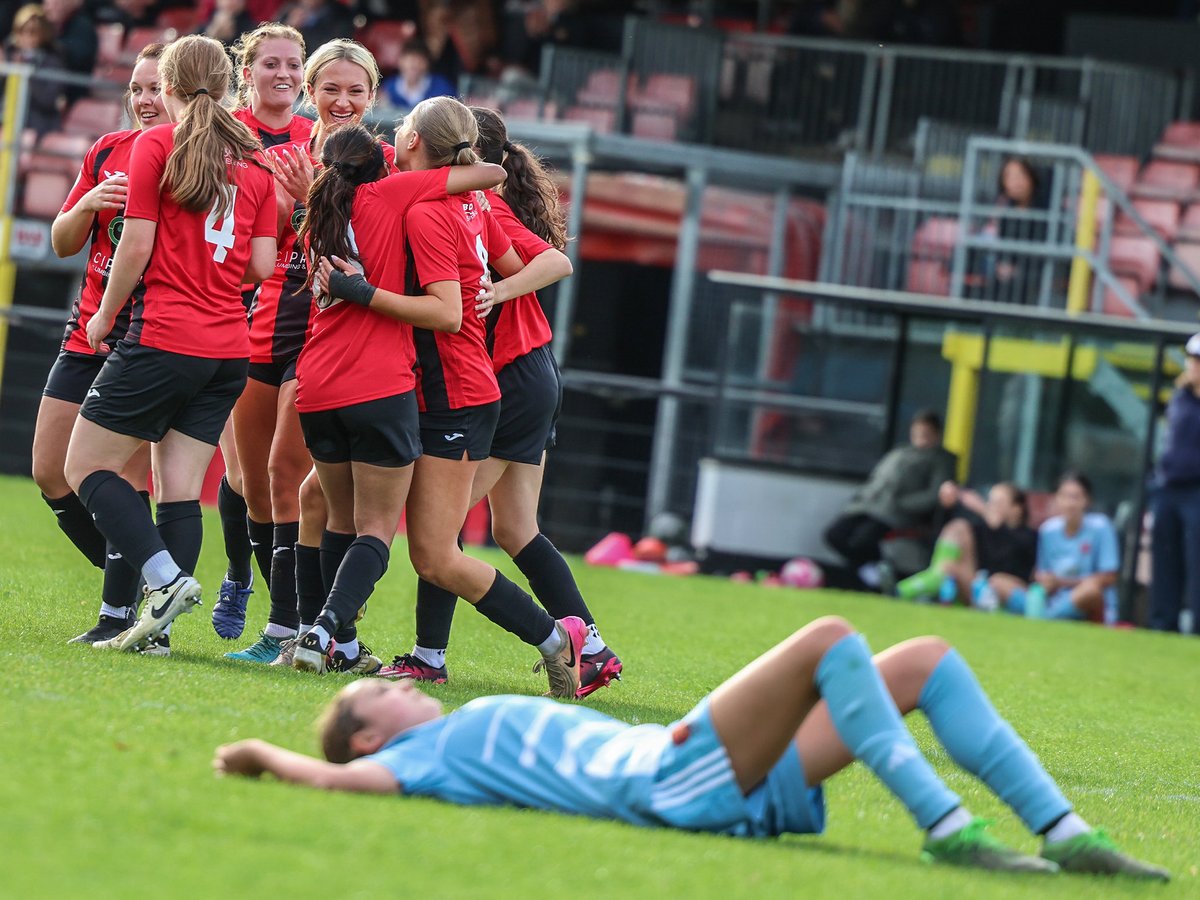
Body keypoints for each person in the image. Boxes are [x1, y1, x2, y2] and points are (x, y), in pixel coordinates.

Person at [214, 613, 1169, 881]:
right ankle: (949, 829)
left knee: (918, 660)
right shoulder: (423, 757)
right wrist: (266, 754)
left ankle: (1066, 833)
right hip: (678, 773)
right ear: (374, 734)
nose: (394, 680)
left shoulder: (456, 736)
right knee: (832, 637)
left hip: (705, 775)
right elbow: (341, 783)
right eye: (378, 689)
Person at [312, 96, 588, 697]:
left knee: (437, 552)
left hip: (458, 391)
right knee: (356, 510)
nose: (395, 132)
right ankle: (333, 635)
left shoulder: (427, 209)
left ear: (414, 143)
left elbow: (446, 312)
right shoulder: (462, 198)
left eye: (404, 127)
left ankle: (556, 638)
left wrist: (356, 291)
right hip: (450, 385)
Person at [62, 34, 277, 656]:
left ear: (172, 88)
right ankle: (157, 635)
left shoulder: (159, 144)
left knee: (85, 467)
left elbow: (133, 246)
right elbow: (262, 264)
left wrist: (103, 317)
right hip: (227, 349)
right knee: (179, 487)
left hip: (163, 336)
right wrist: (212, 278)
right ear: (233, 85)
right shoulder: (257, 161)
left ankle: (164, 582)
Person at [284, 122, 506, 675]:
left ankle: (340, 647)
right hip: (380, 384)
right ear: (377, 168)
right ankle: (324, 632)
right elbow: (491, 172)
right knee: (376, 530)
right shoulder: (389, 194)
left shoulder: (315, 219)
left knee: (338, 517)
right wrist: (428, 160)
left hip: (315, 386)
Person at [34, 42, 165, 646]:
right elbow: (63, 243)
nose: (144, 99)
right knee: (49, 473)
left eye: (157, 88)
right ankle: (140, 575)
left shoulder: (192, 160)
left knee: (122, 477)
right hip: (85, 331)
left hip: (145, 340)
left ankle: (123, 611)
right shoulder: (105, 151)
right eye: (137, 88)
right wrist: (86, 202)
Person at [212, 23, 315, 651]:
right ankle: (238, 574)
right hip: (235, 316)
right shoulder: (226, 136)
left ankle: (292, 623)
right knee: (248, 481)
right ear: (246, 70)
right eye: (271, 63)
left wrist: (295, 207)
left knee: (285, 473)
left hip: (308, 322)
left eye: (293, 64)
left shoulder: (322, 141)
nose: (284, 74)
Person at [823, 410, 957, 588]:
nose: (919, 438)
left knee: (862, 541)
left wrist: (903, 504)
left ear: (936, 434)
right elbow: (877, 479)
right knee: (834, 535)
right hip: (866, 506)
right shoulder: (900, 451)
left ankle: (869, 579)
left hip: (897, 514)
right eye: (916, 433)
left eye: (925, 434)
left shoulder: (940, 459)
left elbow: (935, 495)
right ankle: (872, 573)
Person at [893, 481, 1036, 608]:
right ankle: (934, 579)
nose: (991, 506)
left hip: (1002, 592)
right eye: (990, 501)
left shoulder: (1028, 535)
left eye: (998, 503)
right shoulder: (984, 528)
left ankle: (907, 589)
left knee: (995, 581)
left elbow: (1010, 558)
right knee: (958, 528)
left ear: (1017, 509)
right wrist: (949, 502)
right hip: (974, 586)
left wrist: (983, 510)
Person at [1005, 472, 1119, 624]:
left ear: (1087, 500)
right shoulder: (1048, 530)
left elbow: (1108, 577)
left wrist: (1062, 582)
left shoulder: (1101, 526)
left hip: (1086, 602)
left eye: (1075, 497)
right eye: (1064, 496)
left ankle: (1042, 618)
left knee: (1090, 590)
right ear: (1056, 499)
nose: (1070, 503)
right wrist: (1045, 582)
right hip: (1055, 599)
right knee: (1000, 582)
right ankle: (1044, 614)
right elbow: (1042, 572)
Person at [1148, 333, 1200, 633]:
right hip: (1168, 488)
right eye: (1193, 359)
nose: (1194, 366)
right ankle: (1161, 625)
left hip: (1197, 491)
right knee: (1165, 558)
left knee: (1196, 563)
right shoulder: (1179, 397)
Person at [3, 4, 66, 135]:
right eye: (22, 31)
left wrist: (27, 74)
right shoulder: (8, 56)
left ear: (42, 34)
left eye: (33, 32)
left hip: (37, 126)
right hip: (6, 120)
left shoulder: (52, 61)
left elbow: (48, 100)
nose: (27, 37)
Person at [381, 39, 455, 110]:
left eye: (420, 61)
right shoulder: (388, 87)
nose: (414, 65)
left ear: (428, 64)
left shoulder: (442, 87)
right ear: (400, 61)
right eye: (410, 60)